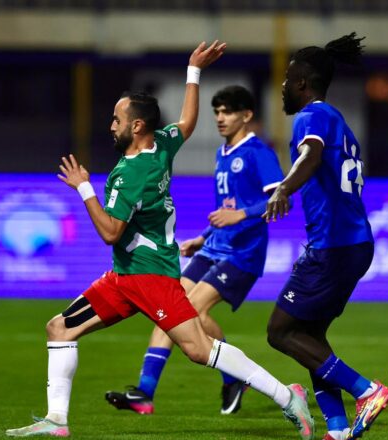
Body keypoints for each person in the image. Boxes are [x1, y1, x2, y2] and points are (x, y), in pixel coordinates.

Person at [6, 41, 315, 440]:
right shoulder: (162, 144)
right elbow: (187, 122)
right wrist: (193, 71)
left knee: (200, 349)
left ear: (136, 126)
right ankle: (56, 420)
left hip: (151, 278)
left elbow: (111, 232)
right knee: (60, 328)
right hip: (124, 277)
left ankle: (286, 395)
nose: (110, 125)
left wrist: (84, 188)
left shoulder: (131, 174)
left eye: (117, 119)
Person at [105, 85, 285, 416]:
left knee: (188, 309)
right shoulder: (222, 153)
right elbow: (225, 208)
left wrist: (241, 215)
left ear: (246, 115)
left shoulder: (258, 152)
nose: (220, 118)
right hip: (214, 246)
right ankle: (145, 392)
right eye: (217, 112)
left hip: (242, 253)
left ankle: (234, 376)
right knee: (168, 307)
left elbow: (280, 200)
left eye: (227, 111)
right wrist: (203, 237)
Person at [263, 33, 388, 440]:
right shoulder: (339, 121)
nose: (283, 86)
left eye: (287, 79)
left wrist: (285, 187)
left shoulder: (312, 116)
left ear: (302, 82)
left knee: (280, 331)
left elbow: (312, 155)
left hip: (334, 245)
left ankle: (366, 390)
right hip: (349, 241)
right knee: (309, 337)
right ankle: (337, 432)